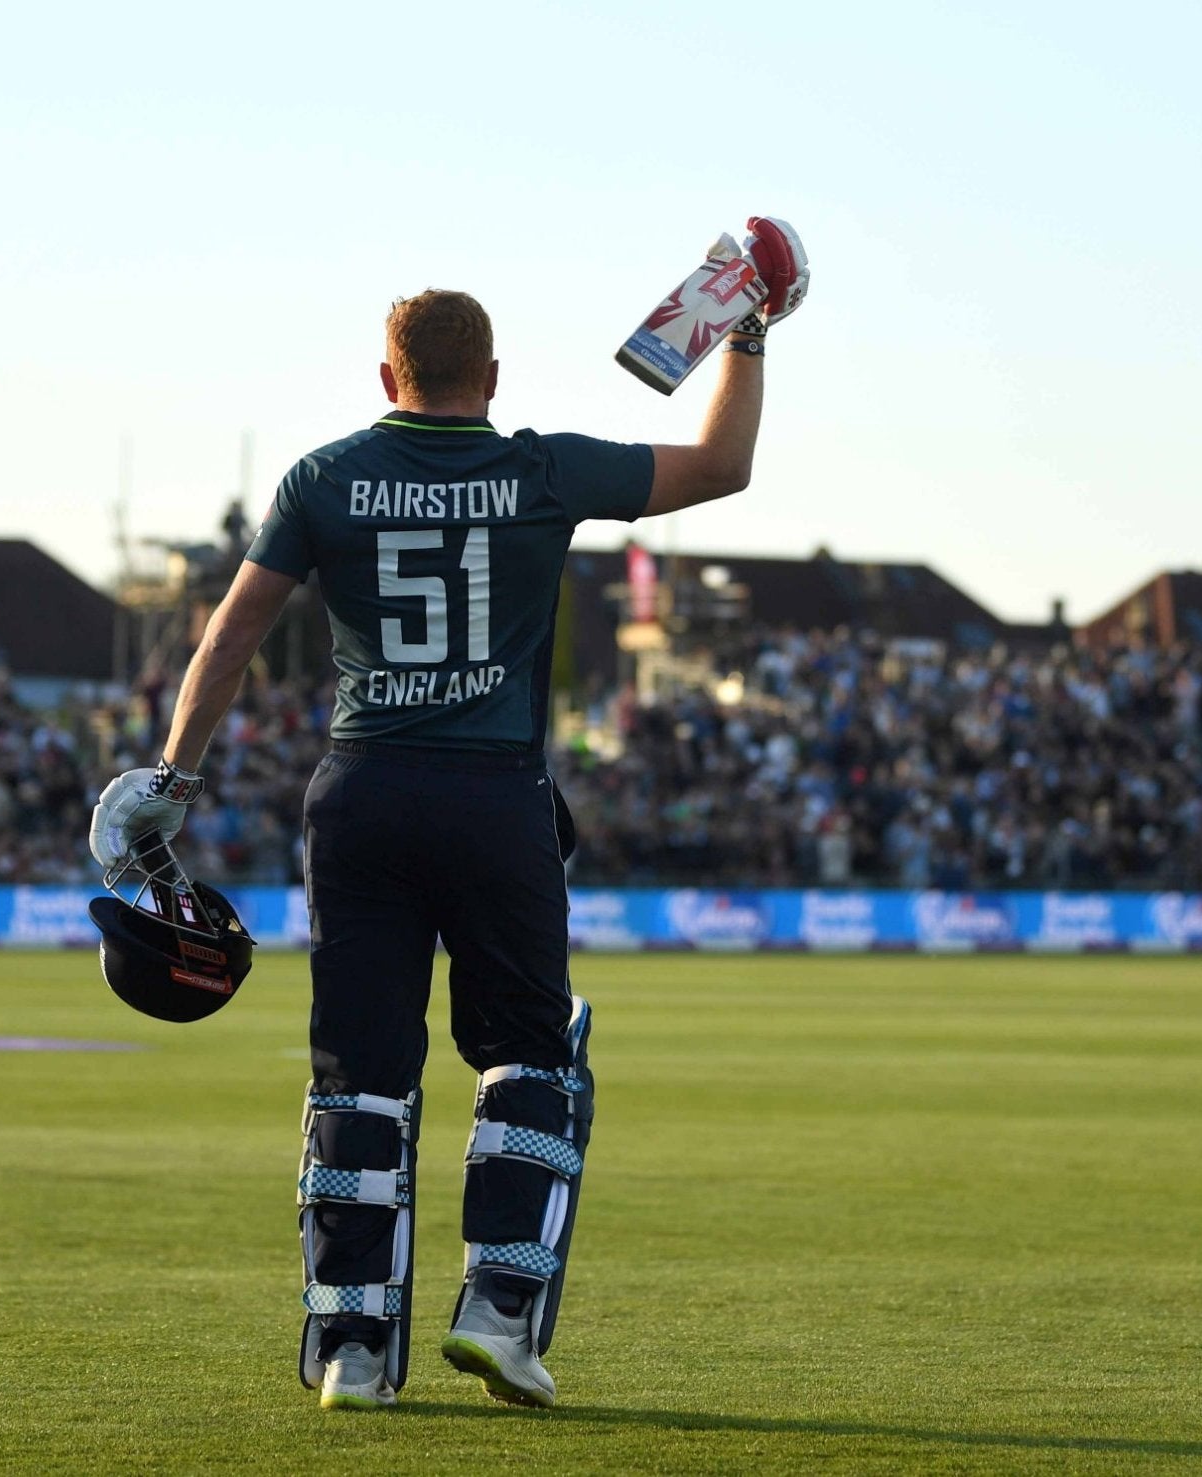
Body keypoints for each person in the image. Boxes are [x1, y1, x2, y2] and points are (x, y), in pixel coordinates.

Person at [89, 219, 807, 1411]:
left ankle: (352, 1353)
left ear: (387, 378)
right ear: (492, 379)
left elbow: (230, 636)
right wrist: (745, 333)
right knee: (528, 1053)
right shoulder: (541, 469)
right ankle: (497, 1312)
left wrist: (170, 775)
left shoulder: (321, 477)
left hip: (360, 793)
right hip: (493, 799)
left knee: (358, 1076)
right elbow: (719, 465)